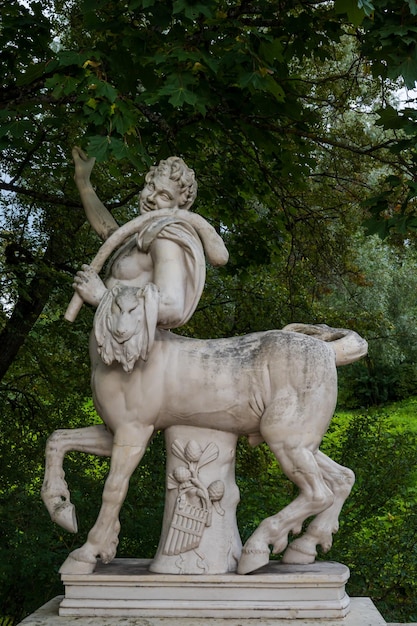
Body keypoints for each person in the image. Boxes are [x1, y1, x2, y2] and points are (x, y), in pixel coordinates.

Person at [71, 147, 222, 329]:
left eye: (164, 196)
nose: (150, 198)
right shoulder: (141, 237)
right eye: (151, 187)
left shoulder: (165, 240)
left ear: (179, 206)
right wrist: (83, 182)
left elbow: (172, 307)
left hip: (135, 350)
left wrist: (100, 296)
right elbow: (109, 232)